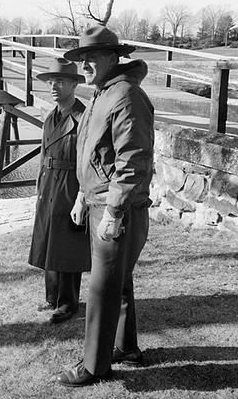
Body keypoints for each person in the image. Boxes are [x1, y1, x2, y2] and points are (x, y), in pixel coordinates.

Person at [55, 25, 154, 387]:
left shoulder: (126, 96)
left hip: (120, 211)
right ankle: (126, 348)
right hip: (99, 202)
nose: (85, 64)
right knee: (118, 282)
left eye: (92, 57)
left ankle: (95, 365)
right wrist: (83, 195)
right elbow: (94, 151)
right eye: (82, 58)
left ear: (113, 57)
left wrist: (112, 212)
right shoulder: (102, 94)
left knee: (101, 287)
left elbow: (133, 162)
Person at [28, 58, 91, 324]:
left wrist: (83, 196)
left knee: (67, 243)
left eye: (61, 81)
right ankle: (52, 296)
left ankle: (68, 303)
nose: (54, 87)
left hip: (70, 183)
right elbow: (44, 153)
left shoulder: (83, 117)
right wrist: (39, 185)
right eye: (52, 82)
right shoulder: (50, 117)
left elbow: (89, 160)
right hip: (49, 182)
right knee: (48, 239)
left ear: (75, 84)